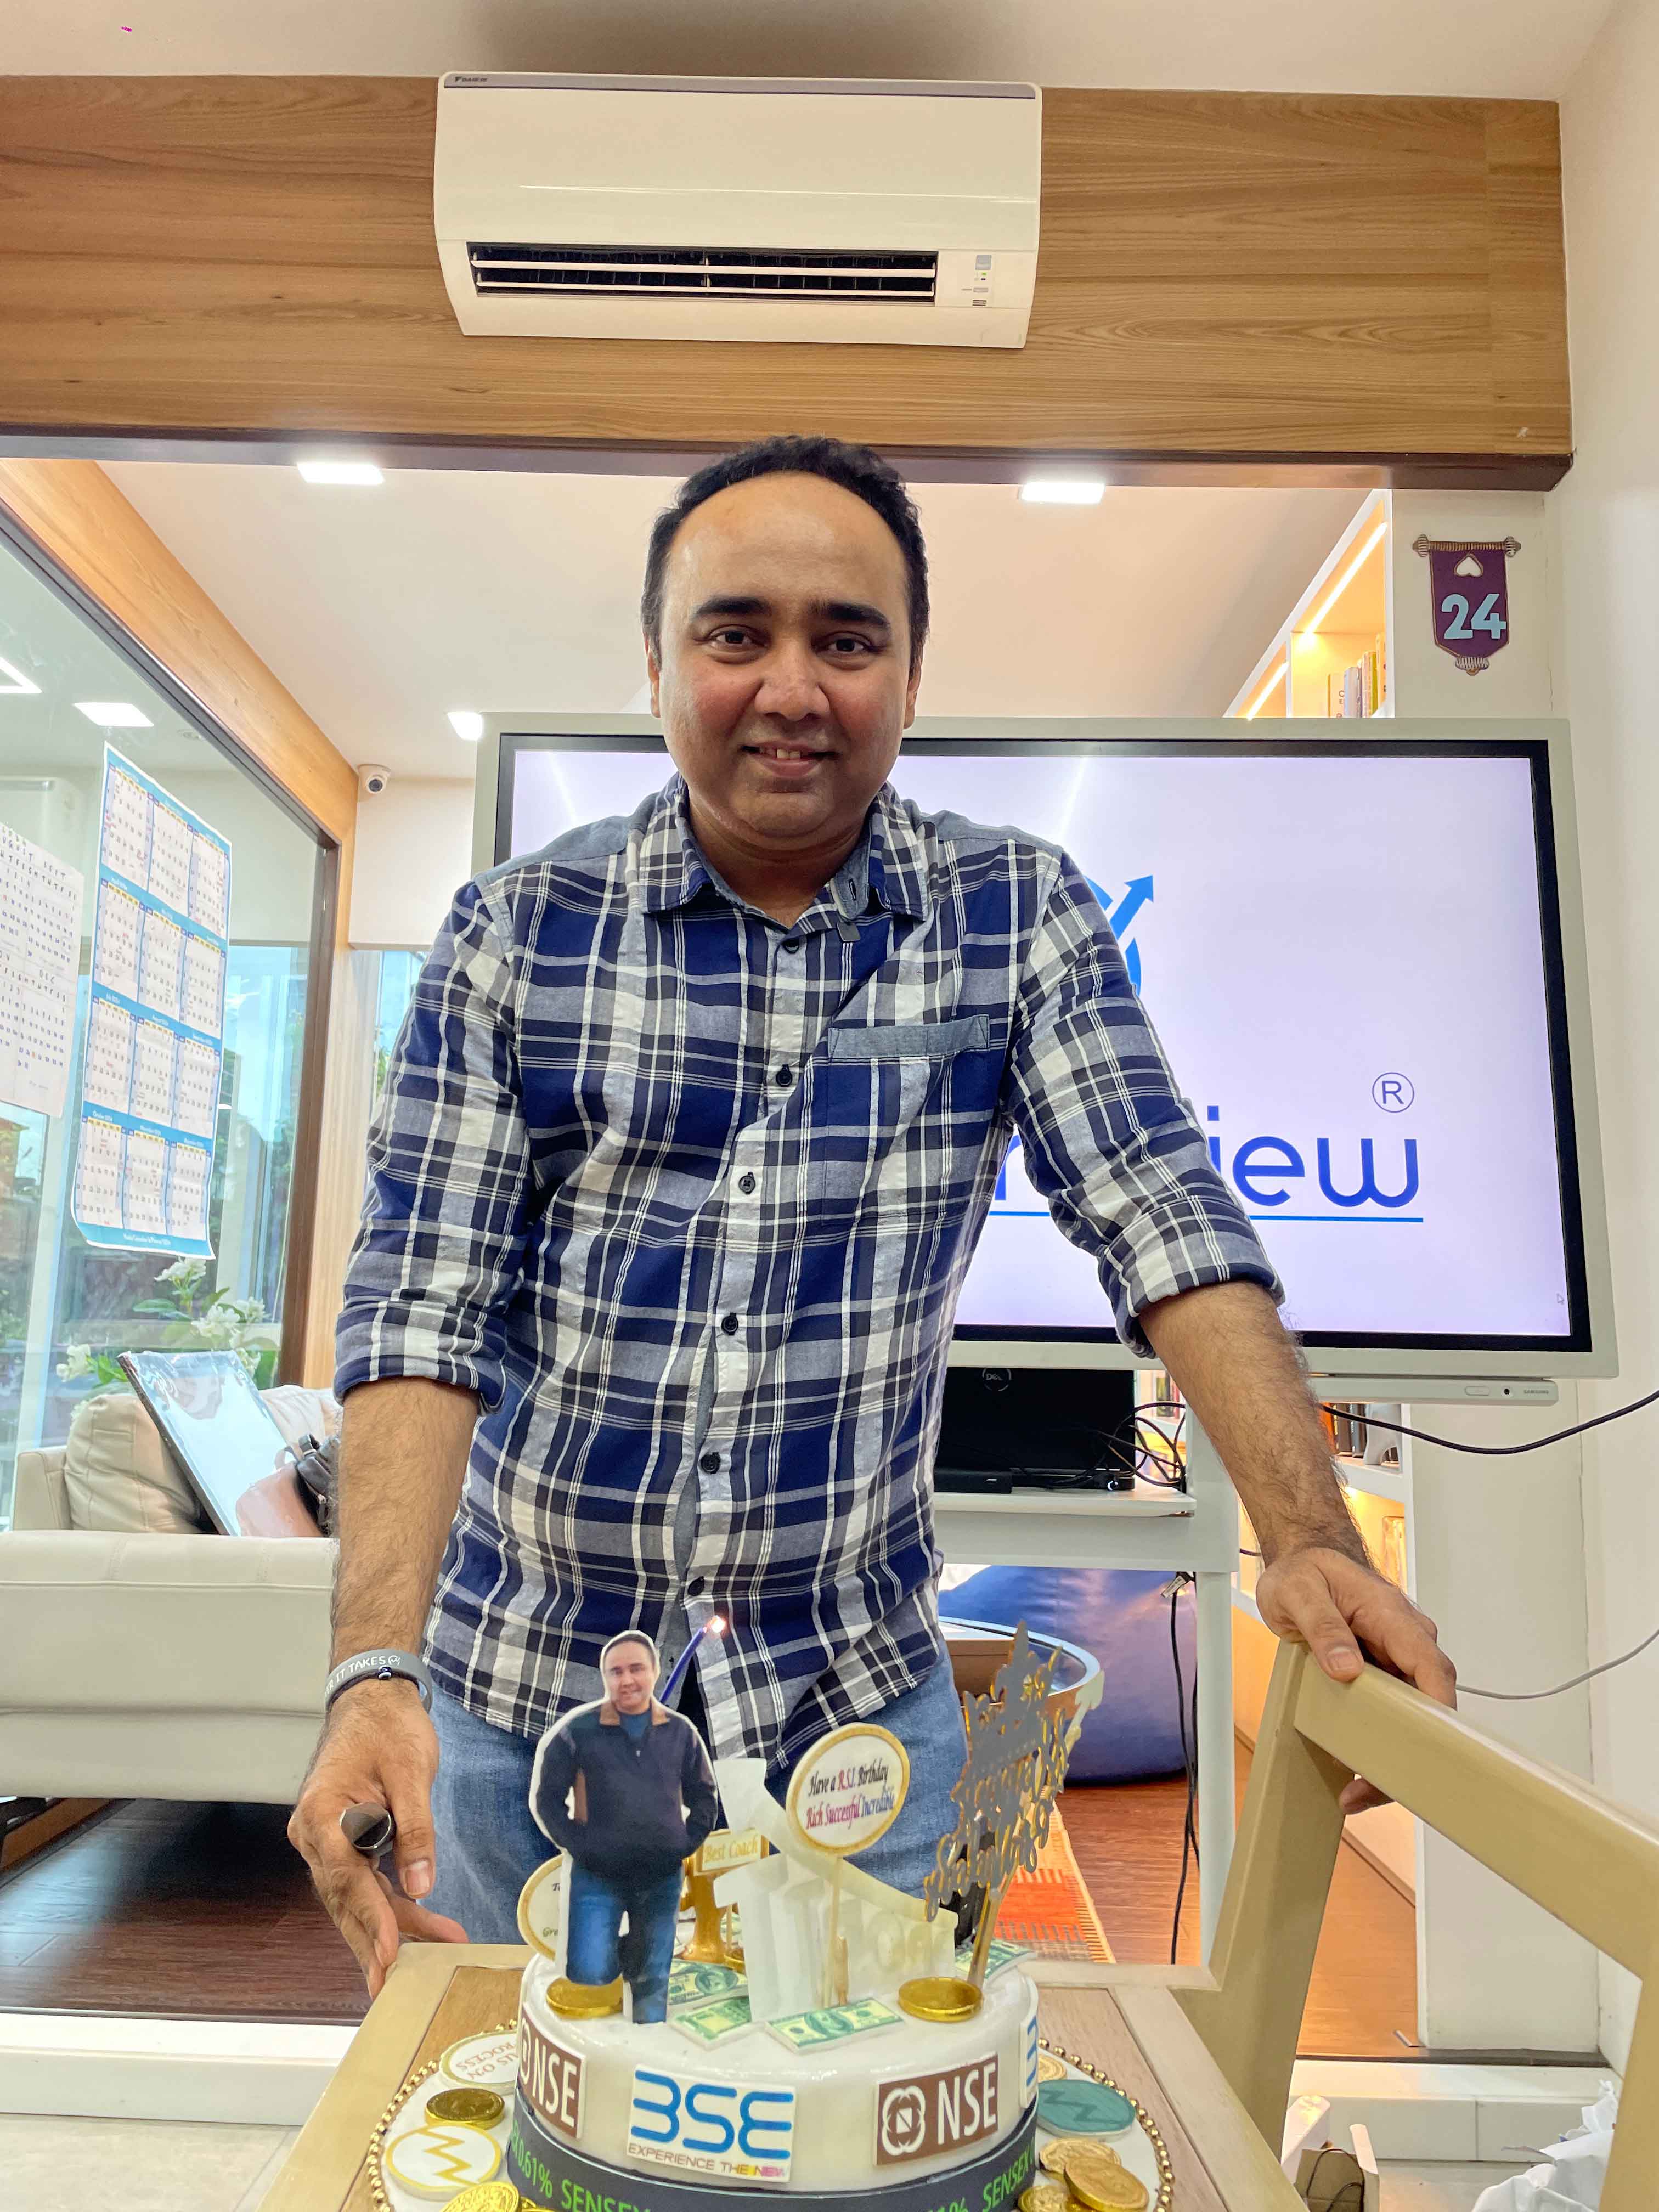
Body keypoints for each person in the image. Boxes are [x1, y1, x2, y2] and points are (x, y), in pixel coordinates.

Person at [290, 435, 1457, 1996]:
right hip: (524, 1713)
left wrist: (1309, 1536)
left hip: (856, 1725)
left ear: (910, 676)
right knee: (548, 2108)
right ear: (658, 666)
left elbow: (1161, 1215)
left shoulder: (1014, 911)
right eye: (737, 633)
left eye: (847, 641)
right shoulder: (516, 933)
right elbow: (422, 1310)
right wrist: (374, 1669)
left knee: (857, 2110)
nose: (793, 687)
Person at [529, 1631, 717, 2022]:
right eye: (616, 1672)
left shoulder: (681, 1733)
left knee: (652, 1982)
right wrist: (580, 1845)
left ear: (654, 1672)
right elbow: (547, 1800)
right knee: (590, 1972)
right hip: (596, 1877)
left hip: (661, 1878)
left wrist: (683, 1843)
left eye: (636, 1669)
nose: (627, 1680)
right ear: (605, 1678)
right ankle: (625, 1966)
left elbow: (704, 1796)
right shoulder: (577, 1732)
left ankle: (647, 2035)